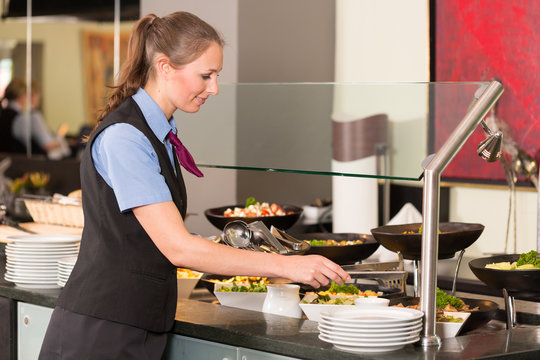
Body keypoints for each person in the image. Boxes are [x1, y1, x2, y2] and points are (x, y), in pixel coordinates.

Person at [38, 11, 350, 359]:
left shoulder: (157, 132)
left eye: (217, 76)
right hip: (101, 331)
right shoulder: (126, 137)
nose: (213, 88)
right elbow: (179, 248)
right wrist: (286, 266)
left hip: (131, 325)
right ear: (165, 66)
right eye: (206, 75)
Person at [0, 78, 69, 158]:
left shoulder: (4, 114)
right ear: (22, 96)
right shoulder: (20, 118)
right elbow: (42, 144)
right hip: (18, 162)